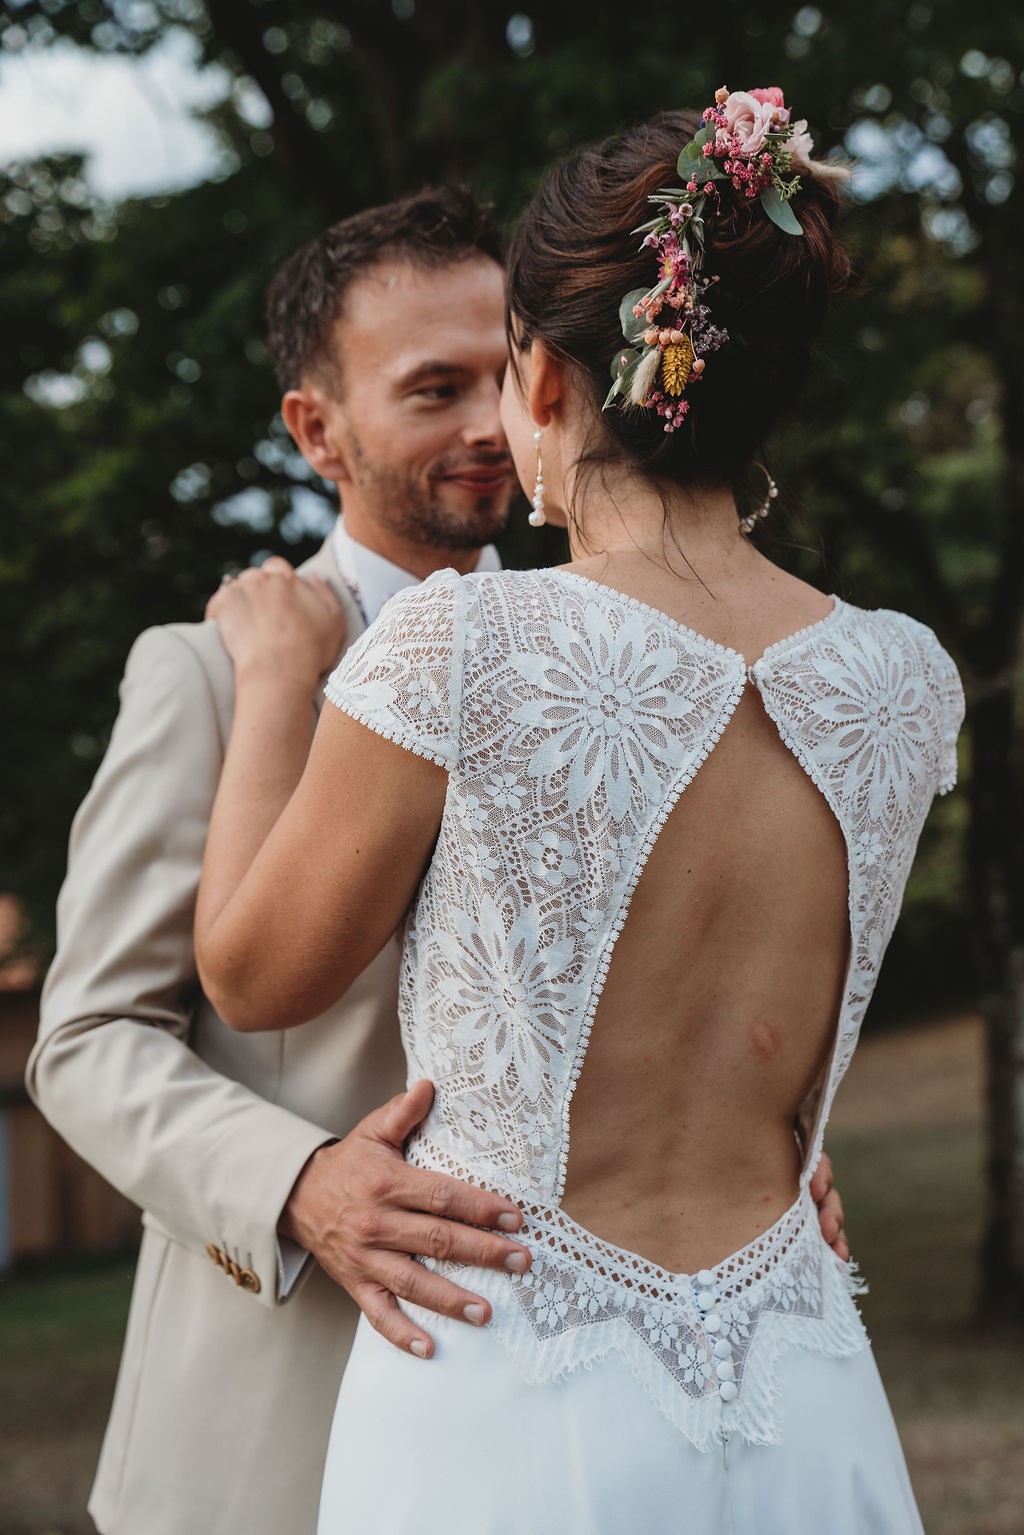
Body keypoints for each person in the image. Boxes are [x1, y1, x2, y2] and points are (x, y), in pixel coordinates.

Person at [30, 179, 847, 1535]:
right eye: (430, 388)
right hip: (272, 1425)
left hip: (565, 1415)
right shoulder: (206, 676)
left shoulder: (617, 675)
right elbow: (88, 1036)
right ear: (316, 429)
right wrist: (297, 1185)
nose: (488, 422)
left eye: (503, 371)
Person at [196, 95, 964, 1535]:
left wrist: (272, 680)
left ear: (539, 379)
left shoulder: (458, 648)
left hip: (504, 1388)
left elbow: (251, 976)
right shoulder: (904, 679)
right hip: (803, 1369)